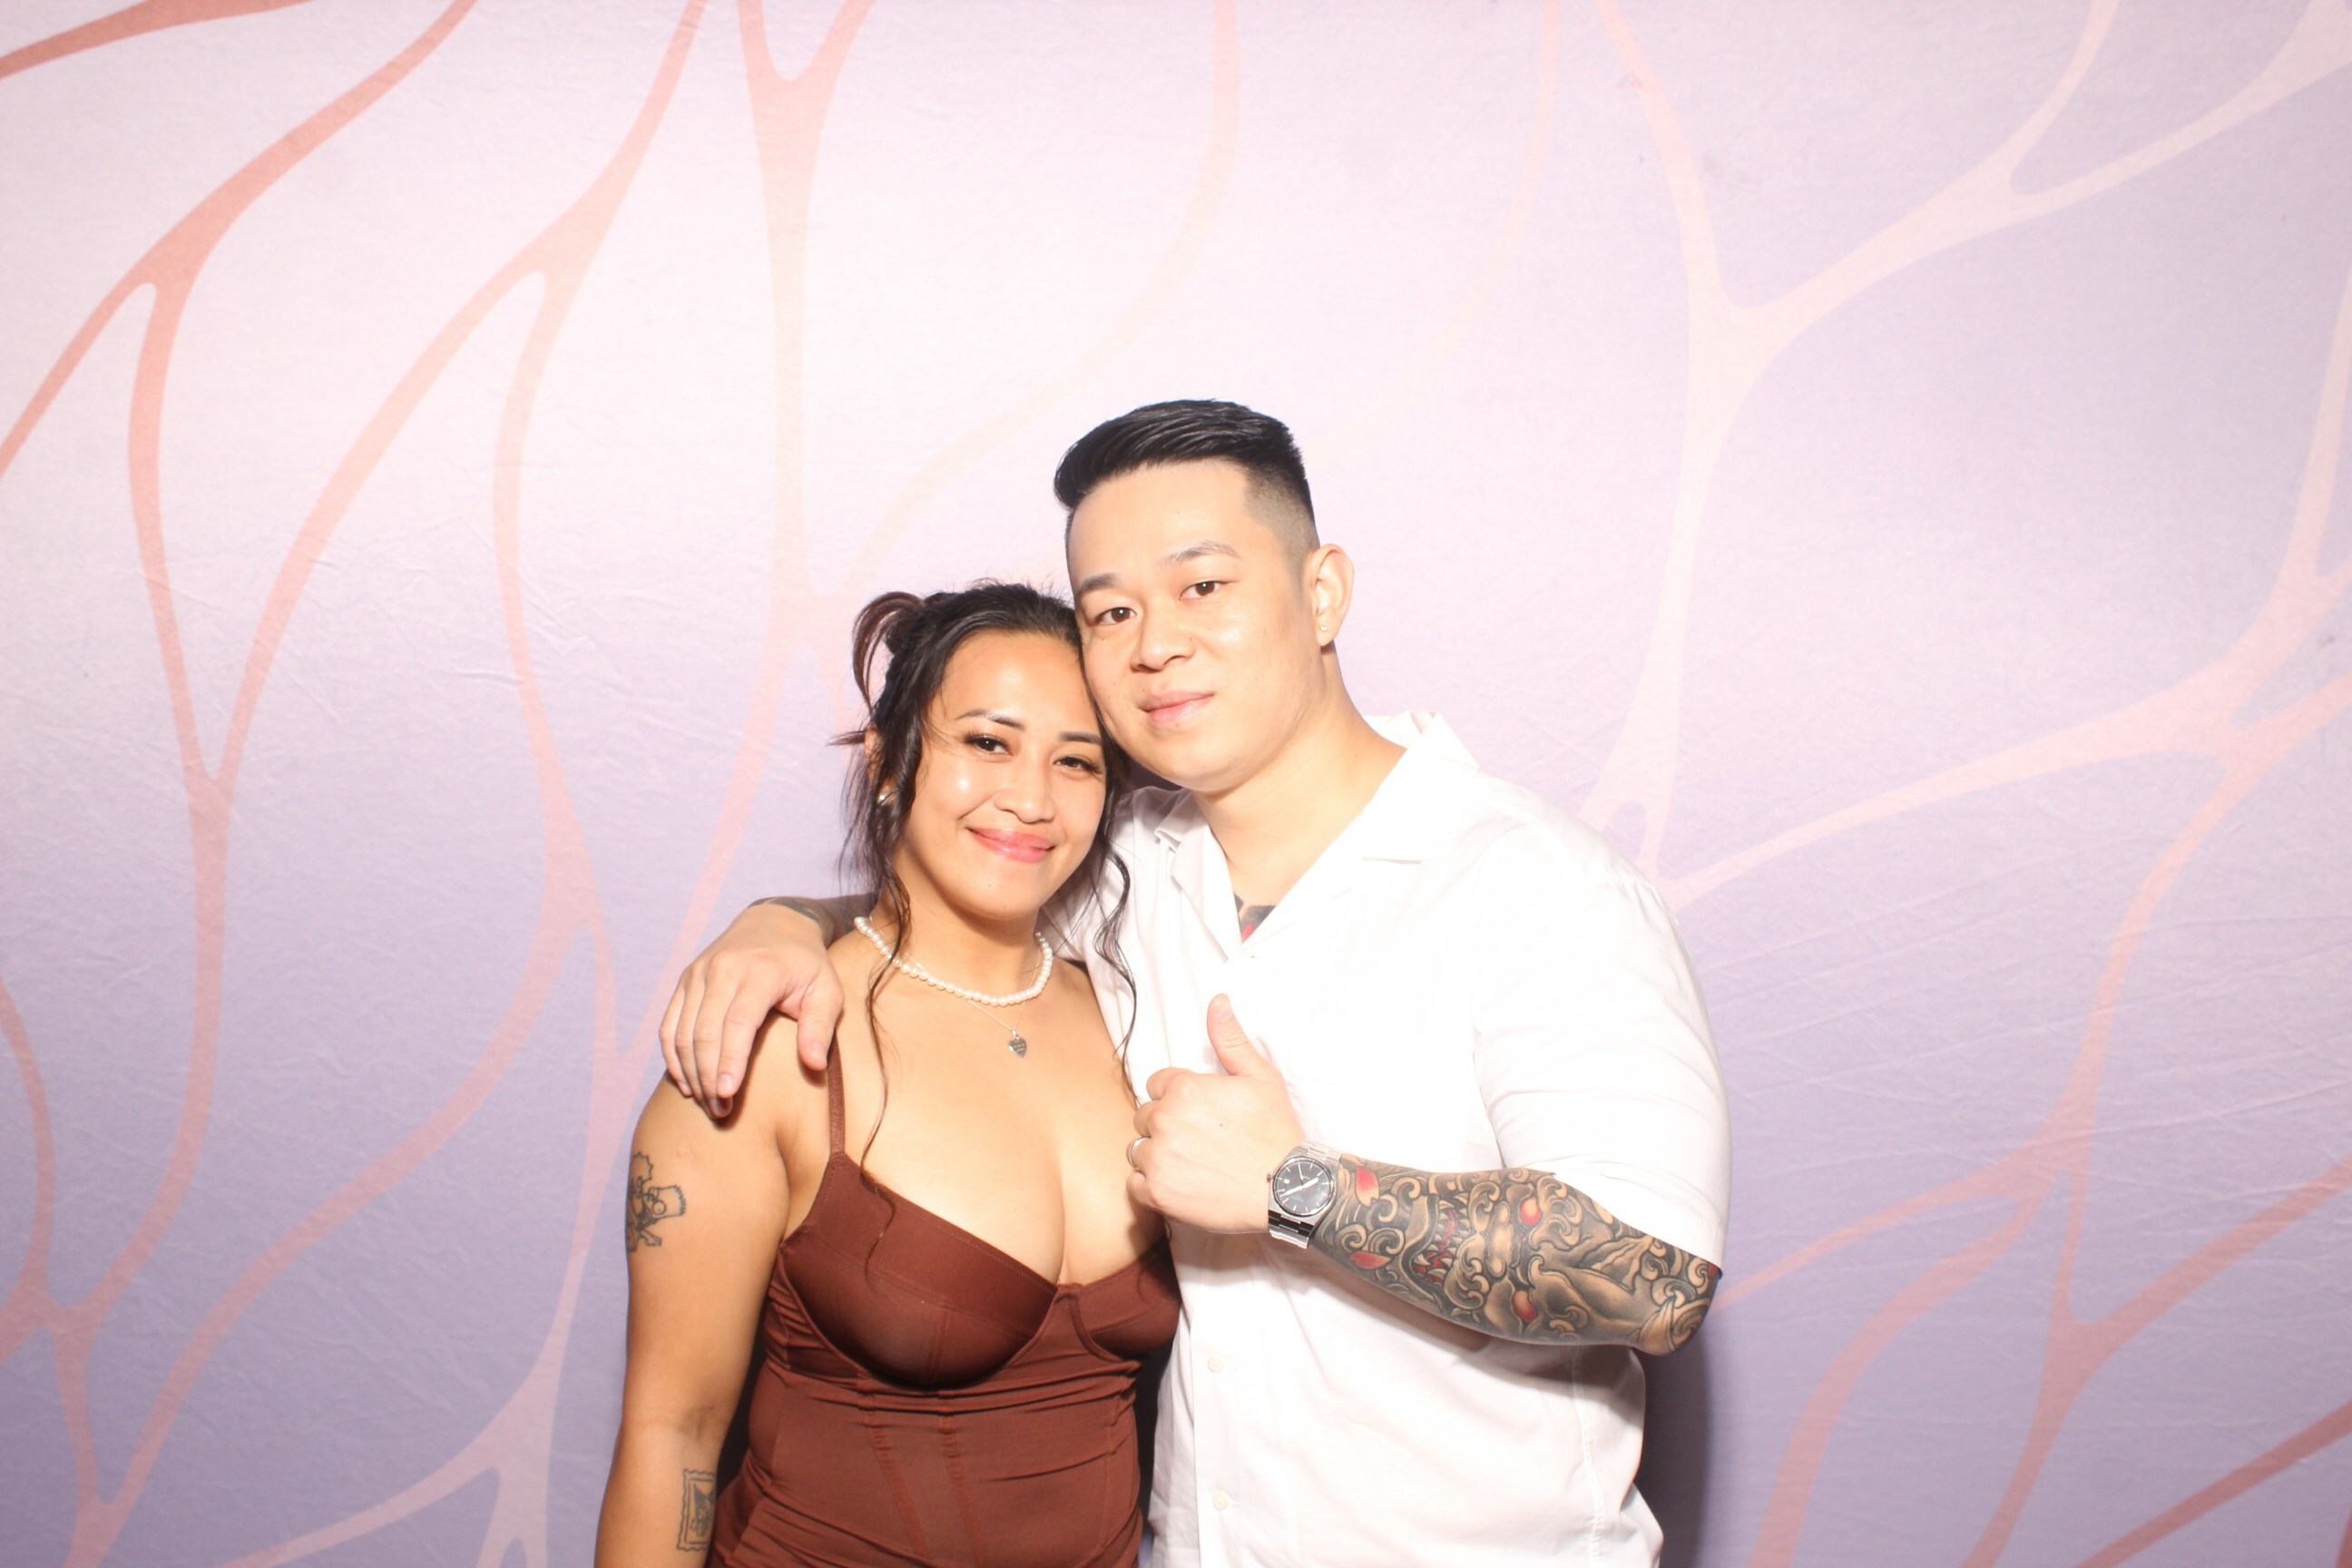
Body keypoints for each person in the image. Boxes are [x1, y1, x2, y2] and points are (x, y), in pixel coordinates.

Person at [663, 400, 1732, 1567]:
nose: (1153, 644)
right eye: (1111, 610)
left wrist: (1295, 1187)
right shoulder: (1119, 867)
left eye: (1203, 586)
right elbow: (945, 896)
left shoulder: (1540, 889)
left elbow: (1654, 1280)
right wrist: (777, 928)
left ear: (1323, 593)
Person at [598, 583, 1179, 1567]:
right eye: (987, 742)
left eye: (1076, 761)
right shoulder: (772, 1045)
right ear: (888, 762)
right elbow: (673, 1434)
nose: (1032, 799)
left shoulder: (1138, 1019)